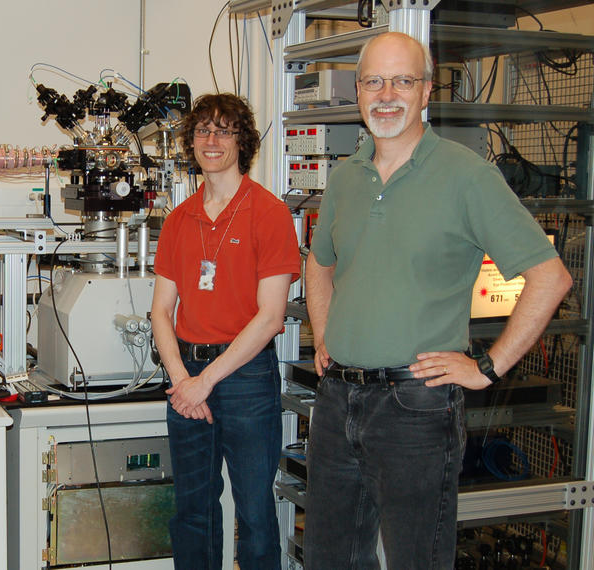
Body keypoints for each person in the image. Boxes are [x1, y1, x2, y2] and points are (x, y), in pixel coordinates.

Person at [304, 32, 573, 569]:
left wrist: (487, 367)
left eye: (403, 80)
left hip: (416, 407)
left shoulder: (466, 175)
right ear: (358, 92)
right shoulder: (346, 178)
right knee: (329, 559)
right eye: (374, 81)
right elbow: (319, 262)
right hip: (337, 402)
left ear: (426, 92)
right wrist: (326, 330)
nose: (387, 94)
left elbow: (551, 276)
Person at [151, 93, 300, 570]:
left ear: (243, 142)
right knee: (192, 512)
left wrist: (205, 381)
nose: (211, 140)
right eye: (202, 131)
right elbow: (160, 313)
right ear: (190, 141)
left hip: (245, 378)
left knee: (255, 513)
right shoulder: (178, 220)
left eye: (224, 130)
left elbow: (271, 316)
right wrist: (182, 380)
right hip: (186, 376)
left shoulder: (269, 213)